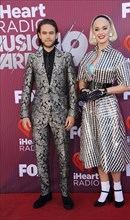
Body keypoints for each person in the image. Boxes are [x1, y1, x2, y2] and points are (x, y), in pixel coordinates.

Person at [20, 18, 77, 210]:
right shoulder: (32, 58)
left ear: (57, 35)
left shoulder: (66, 57)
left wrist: (72, 112)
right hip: (38, 115)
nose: (47, 36)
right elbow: (27, 87)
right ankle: (45, 193)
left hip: (62, 114)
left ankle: (65, 193)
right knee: (40, 156)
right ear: (38, 35)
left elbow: (72, 88)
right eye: (44, 33)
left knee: (63, 156)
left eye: (51, 32)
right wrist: (24, 114)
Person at [77, 14, 130, 208]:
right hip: (90, 109)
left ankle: (117, 188)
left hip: (107, 107)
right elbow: (82, 79)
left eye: (104, 28)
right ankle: (104, 189)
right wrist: (84, 89)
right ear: (93, 32)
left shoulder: (117, 56)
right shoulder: (87, 57)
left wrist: (104, 90)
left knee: (113, 147)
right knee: (96, 147)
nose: (101, 32)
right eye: (97, 29)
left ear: (111, 30)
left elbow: (127, 85)